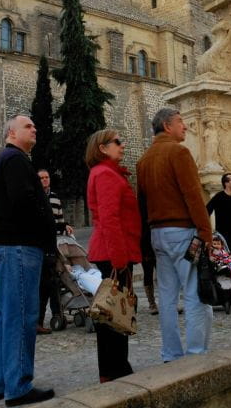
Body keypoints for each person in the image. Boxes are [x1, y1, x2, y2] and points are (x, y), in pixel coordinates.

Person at [0, 115, 55, 406]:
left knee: (5, 316)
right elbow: (25, 202)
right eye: (28, 126)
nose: (35, 128)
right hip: (19, 245)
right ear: (11, 133)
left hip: (5, 245)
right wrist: (45, 231)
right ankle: (18, 386)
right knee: (22, 316)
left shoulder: (7, 159)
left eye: (34, 125)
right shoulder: (15, 160)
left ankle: (2, 381)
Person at [137, 108, 213, 362]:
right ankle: (195, 353)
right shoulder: (179, 152)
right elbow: (193, 195)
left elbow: (142, 203)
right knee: (194, 293)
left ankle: (170, 353)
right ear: (167, 126)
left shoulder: (144, 159)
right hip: (182, 232)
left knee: (167, 298)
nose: (186, 127)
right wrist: (206, 232)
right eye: (181, 122)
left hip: (157, 233)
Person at [85, 128, 142, 382]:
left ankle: (115, 366)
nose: (123, 145)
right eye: (117, 142)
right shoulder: (105, 174)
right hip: (113, 252)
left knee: (115, 310)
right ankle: (114, 369)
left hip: (115, 250)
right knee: (112, 311)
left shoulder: (109, 173)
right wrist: (120, 259)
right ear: (102, 148)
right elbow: (109, 219)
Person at [36, 168, 72, 335]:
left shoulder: (55, 198)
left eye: (46, 177)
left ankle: (57, 314)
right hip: (43, 247)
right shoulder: (36, 198)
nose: (45, 180)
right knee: (46, 283)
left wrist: (65, 227)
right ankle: (42, 319)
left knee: (55, 281)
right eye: (41, 178)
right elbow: (44, 224)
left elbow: (59, 220)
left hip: (56, 245)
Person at [206, 173, 231, 257]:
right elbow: (207, 211)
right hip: (224, 235)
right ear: (226, 183)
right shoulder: (219, 197)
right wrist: (209, 230)